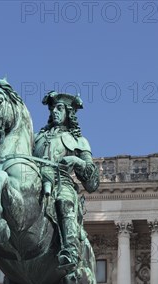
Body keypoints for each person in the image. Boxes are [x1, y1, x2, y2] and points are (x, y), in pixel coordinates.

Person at [33, 91, 99, 271]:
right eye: (53, 108)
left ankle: (70, 250)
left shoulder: (79, 141)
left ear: (69, 112)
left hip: (62, 183)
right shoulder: (36, 139)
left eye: (59, 108)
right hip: (34, 183)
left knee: (64, 201)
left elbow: (92, 183)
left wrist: (76, 161)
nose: (55, 111)